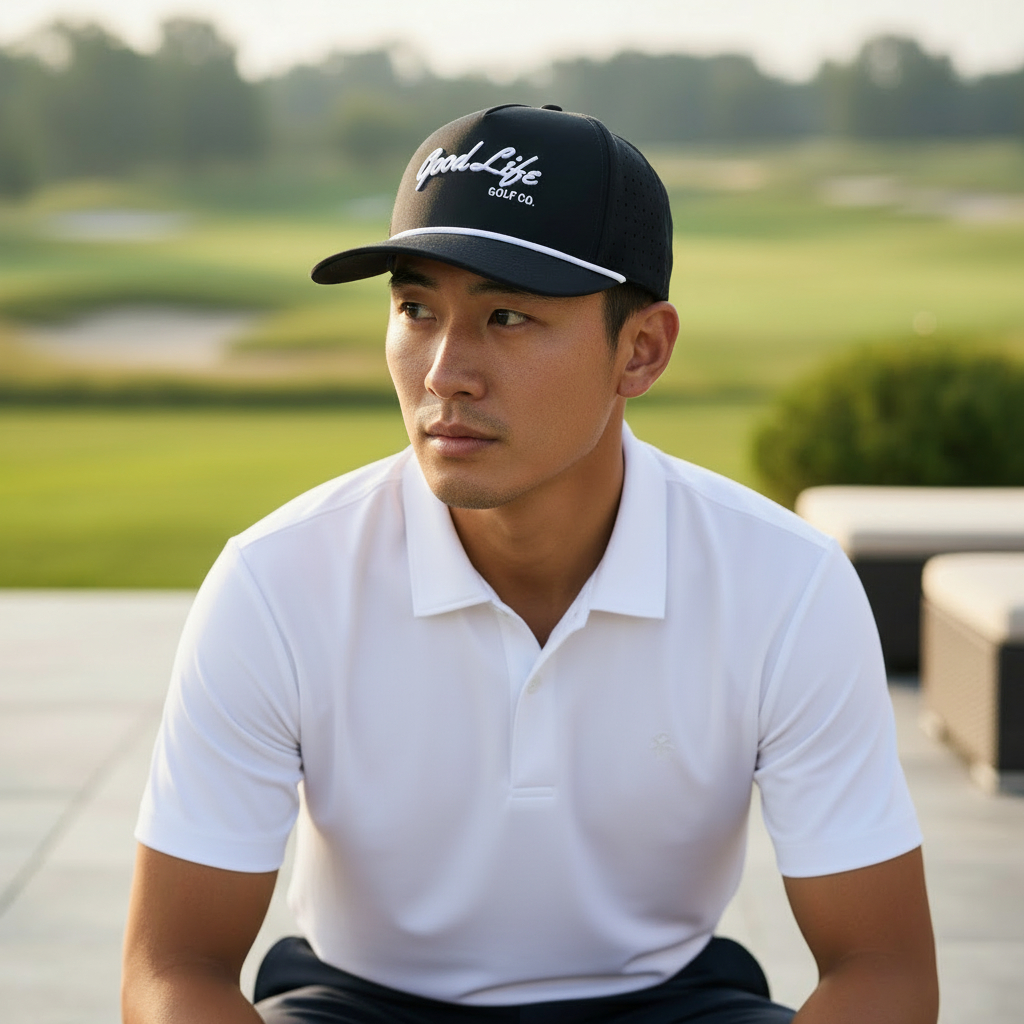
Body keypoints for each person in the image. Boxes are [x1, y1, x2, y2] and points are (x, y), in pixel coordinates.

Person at [122, 104, 938, 1024]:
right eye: (416, 308)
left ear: (641, 350)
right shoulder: (277, 580)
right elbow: (174, 969)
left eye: (507, 315)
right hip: (361, 1004)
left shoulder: (785, 584)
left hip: (663, 1005)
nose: (443, 373)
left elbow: (883, 970)